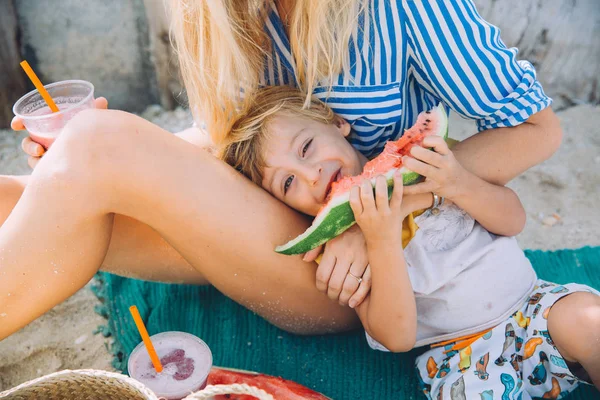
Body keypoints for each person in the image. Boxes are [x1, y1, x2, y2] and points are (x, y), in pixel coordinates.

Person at [2, 0, 562, 340]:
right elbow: (228, 145)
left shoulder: (401, 9)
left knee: (101, 142)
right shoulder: (220, 16)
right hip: (262, 221)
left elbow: (538, 130)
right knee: (27, 190)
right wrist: (84, 165)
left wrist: (367, 221)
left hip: (357, 277)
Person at [219, 85, 600, 396]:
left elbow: (513, 220)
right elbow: (396, 337)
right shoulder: (340, 252)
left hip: (535, 309)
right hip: (461, 358)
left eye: (306, 148)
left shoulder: (427, 164)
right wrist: (379, 240)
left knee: (590, 322)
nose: (311, 175)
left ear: (336, 124)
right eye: (287, 183)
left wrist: (458, 183)